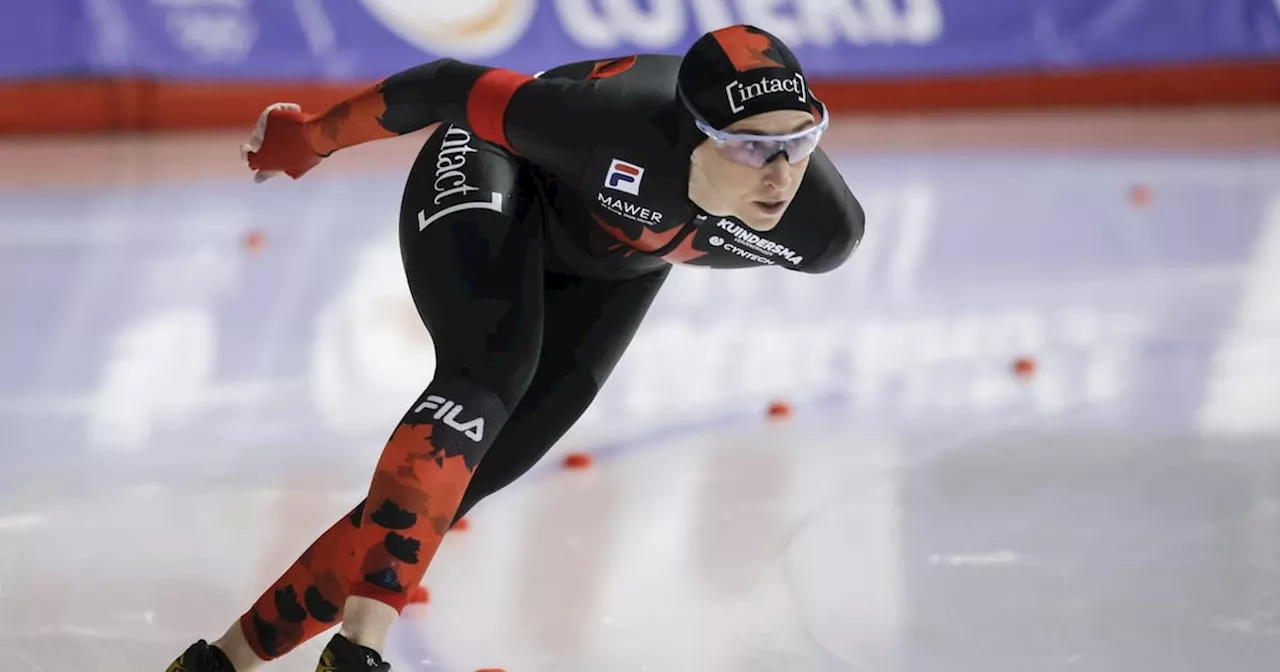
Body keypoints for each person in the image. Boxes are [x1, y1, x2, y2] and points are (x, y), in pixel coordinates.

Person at [163, 23, 864, 672]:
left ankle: (221, 664)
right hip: (497, 168)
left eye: (799, 142)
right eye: (749, 146)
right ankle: (361, 649)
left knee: (457, 488)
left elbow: (717, 209)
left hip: (616, 267)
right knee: (490, 371)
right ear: (691, 135)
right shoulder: (604, 124)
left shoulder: (820, 230)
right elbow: (443, 87)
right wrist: (312, 137)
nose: (779, 175)